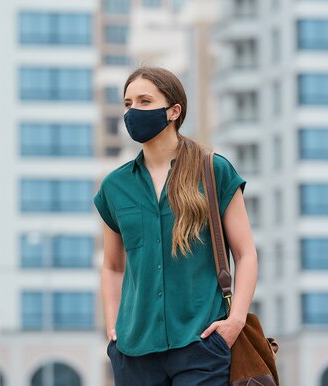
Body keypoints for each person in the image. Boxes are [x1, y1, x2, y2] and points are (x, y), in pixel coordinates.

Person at [93, 67, 258, 386]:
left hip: (202, 344)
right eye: (128, 104)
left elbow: (246, 253)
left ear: (173, 110)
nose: (133, 112)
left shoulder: (214, 170)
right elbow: (113, 267)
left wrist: (235, 321)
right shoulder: (114, 187)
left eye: (144, 101)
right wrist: (113, 328)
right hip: (134, 352)